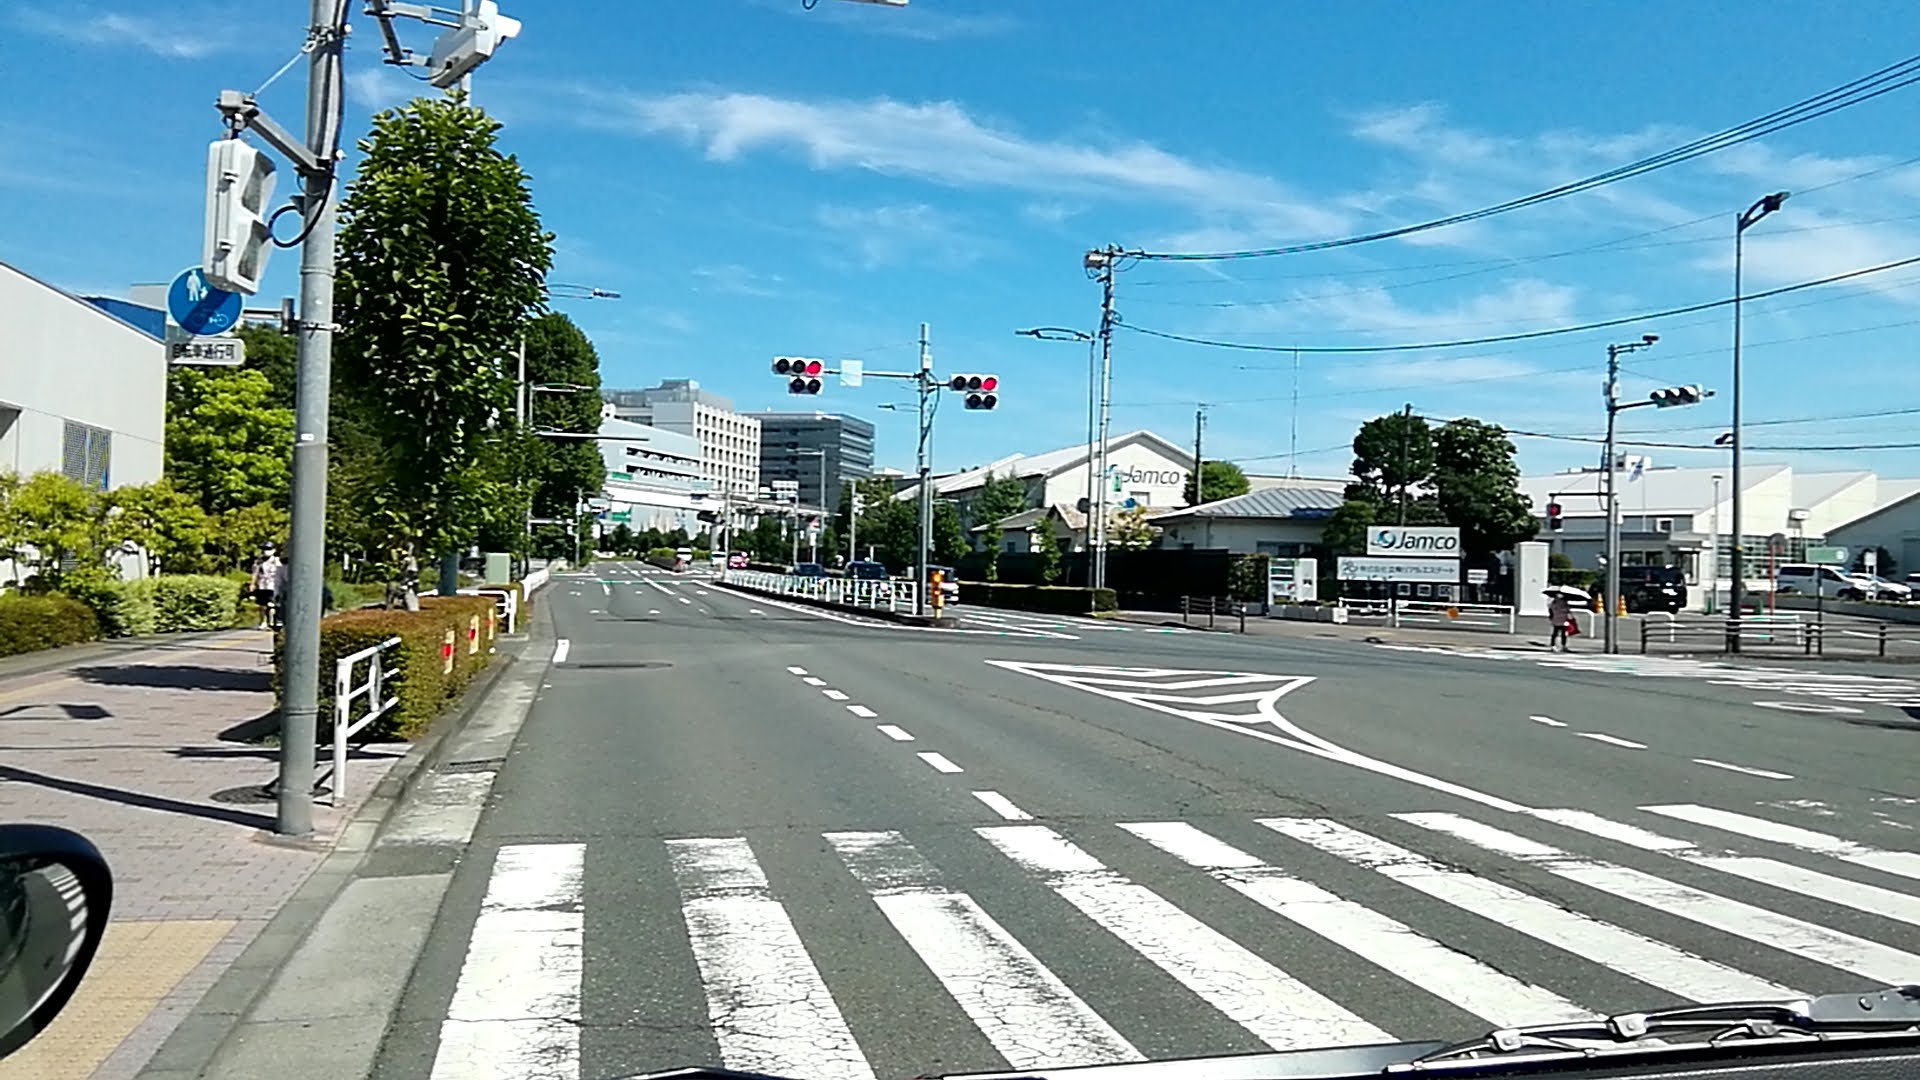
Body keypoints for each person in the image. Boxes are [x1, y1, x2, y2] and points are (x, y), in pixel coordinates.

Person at [250, 546, 282, 630]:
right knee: (262, 606)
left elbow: (281, 573)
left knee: (271, 605)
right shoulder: (259, 561)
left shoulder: (277, 561)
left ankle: (271, 622)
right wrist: (252, 584)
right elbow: (255, 573)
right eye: (264, 549)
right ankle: (263, 622)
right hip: (262, 585)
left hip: (273, 585)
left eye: (268, 549)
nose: (266, 551)